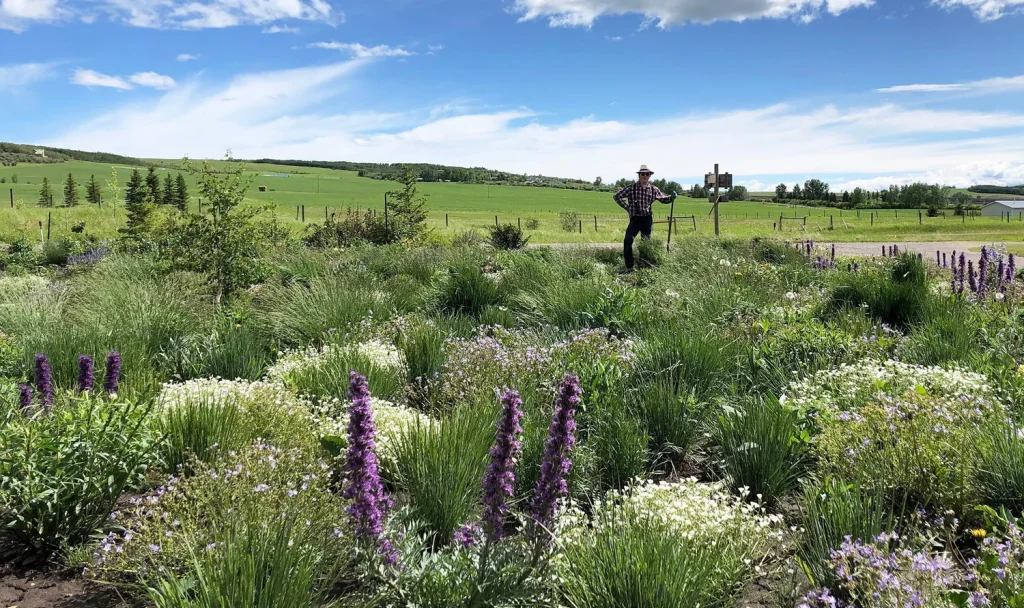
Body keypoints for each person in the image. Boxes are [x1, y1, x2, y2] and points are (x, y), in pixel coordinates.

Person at [613, 164, 676, 271]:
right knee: (627, 241)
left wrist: (671, 198)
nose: (645, 176)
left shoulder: (653, 189)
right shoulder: (631, 188)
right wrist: (627, 208)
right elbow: (616, 196)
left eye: (647, 174)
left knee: (645, 243)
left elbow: (663, 199)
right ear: (639, 175)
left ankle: (644, 265)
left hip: (647, 219)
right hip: (635, 219)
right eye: (643, 174)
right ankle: (629, 266)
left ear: (650, 176)